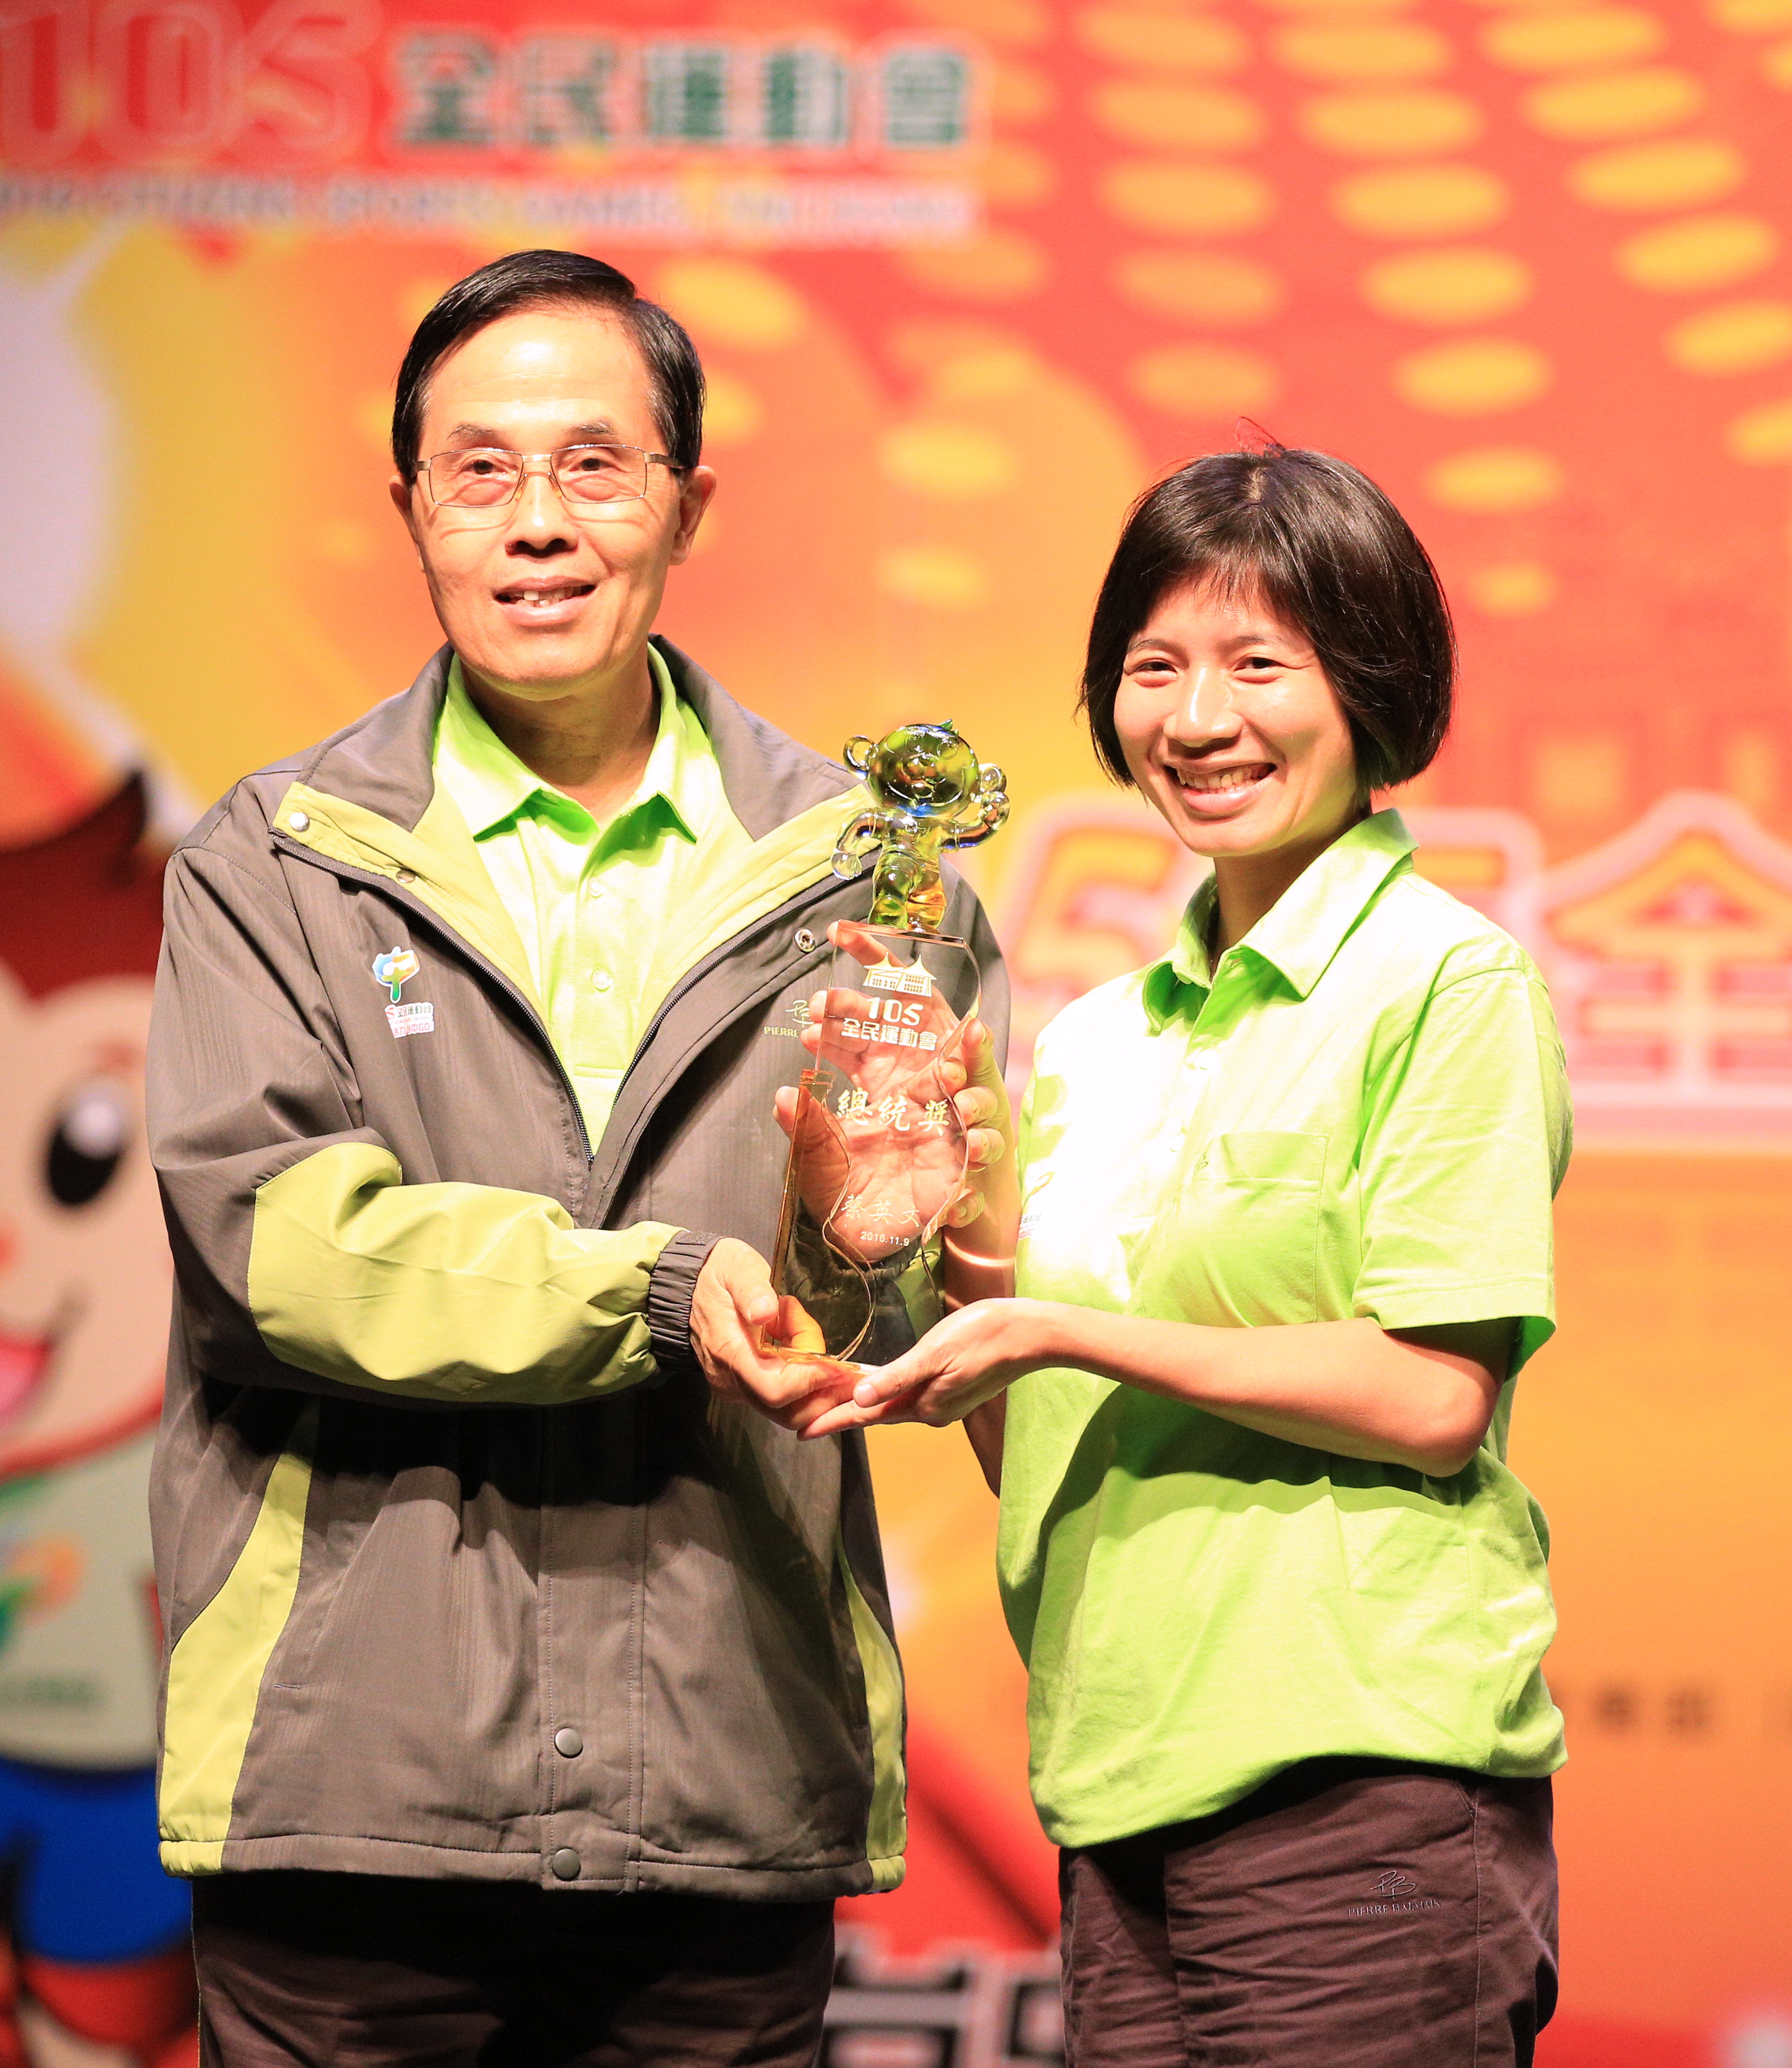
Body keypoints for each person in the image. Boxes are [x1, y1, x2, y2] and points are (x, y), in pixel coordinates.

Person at [145, 249, 1009, 2068]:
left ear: (689, 503)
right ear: (411, 508)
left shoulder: (868, 874)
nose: (537, 522)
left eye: (596, 466)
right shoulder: (275, 866)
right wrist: (666, 1291)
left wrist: (900, 1258)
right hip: (353, 1786)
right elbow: (279, 1254)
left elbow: (902, 1305)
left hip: (726, 1770)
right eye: (481, 470)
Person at [816, 445, 1571, 2064]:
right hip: (1119, 1776)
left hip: (1361, 1780)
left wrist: (1068, 1331)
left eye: (1258, 664)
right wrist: (969, 1245)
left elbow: (1435, 1398)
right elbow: (1044, 1446)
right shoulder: (1099, 1036)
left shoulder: (1446, 984)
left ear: (1369, 685)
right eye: (1154, 667)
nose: (1199, 718)